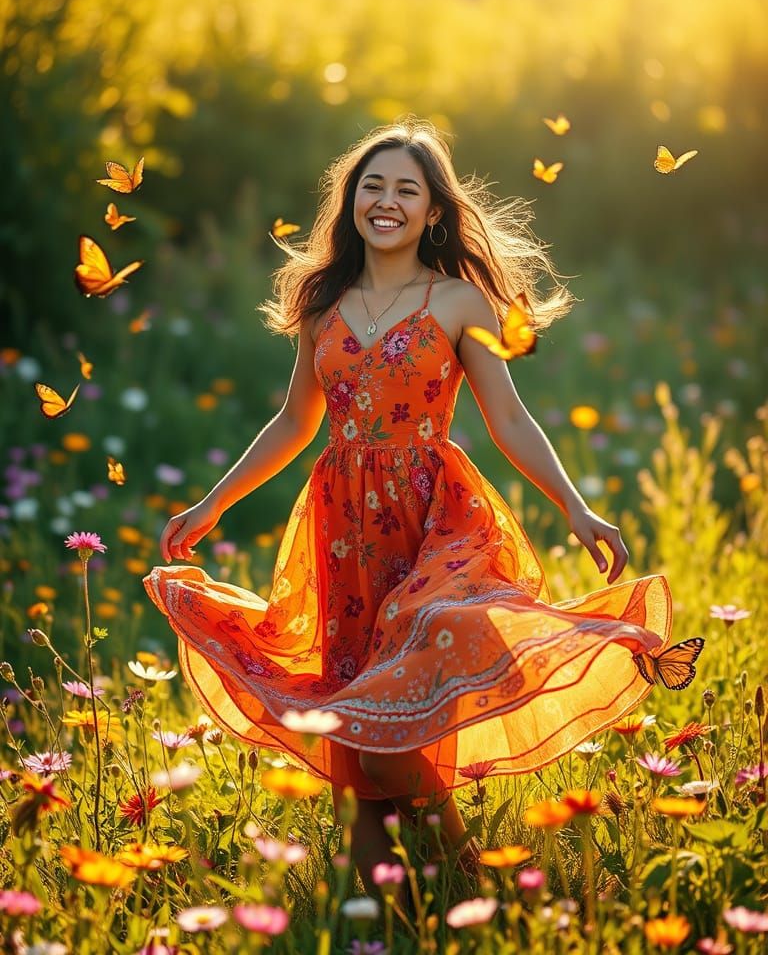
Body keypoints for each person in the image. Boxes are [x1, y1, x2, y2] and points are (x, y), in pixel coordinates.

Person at [143, 117, 672, 897]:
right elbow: (296, 421)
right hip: (344, 529)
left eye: (406, 190)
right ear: (351, 200)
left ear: (433, 213)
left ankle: (474, 888)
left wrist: (576, 507)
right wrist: (213, 503)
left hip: (434, 518)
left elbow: (508, 416)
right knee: (355, 736)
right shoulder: (323, 303)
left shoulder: (460, 302)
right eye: (372, 185)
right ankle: (389, 916)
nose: (385, 201)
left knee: (400, 710)